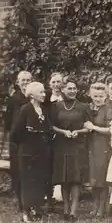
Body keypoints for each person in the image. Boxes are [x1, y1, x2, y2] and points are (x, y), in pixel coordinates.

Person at [11, 82, 52, 223]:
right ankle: (26, 210)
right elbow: (15, 133)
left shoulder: (43, 110)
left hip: (41, 151)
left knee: (39, 179)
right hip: (27, 152)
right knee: (27, 181)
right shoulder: (25, 109)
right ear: (32, 95)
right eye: (41, 92)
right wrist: (27, 141)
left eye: (44, 92)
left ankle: (37, 208)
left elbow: (47, 128)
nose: (44, 94)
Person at [51, 78, 90, 222]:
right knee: (64, 178)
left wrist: (78, 131)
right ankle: (66, 209)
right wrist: (63, 132)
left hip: (77, 145)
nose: (72, 91)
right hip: (62, 144)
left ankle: (73, 211)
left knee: (75, 179)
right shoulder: (57, 106)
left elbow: (88, 127)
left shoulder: (83, 106)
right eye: (69, 88)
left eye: (74, 88)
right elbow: (52, 126)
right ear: (63, 90)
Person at [3, 70, 32, 212]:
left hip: (32, 140)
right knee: (18, 171)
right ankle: (21, 202)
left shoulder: (35, 98)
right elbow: (8, 121)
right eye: (23, 80)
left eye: (28, 80)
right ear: (18, 82)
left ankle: (31, 202)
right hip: (17, 141)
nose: (26, 83)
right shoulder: (13, 99)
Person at [84, 84, 110, 218]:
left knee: (102, 178)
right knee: (93, 178)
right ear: (91, 95)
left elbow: (110, 130)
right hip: (90, 146)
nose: (98, 99)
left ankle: (102, 208)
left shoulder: (108, 110)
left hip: (103, 146)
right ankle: (95, 206)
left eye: (101, 96)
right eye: (95, 96)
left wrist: (93, 127)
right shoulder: (88, 108)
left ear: (105, 96)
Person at [43, 72, 64, 210]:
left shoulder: (66, 97)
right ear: (50, 84)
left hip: (62, 136)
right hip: (47, 137)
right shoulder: (45, 98)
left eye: (59, 82)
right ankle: (48, 199)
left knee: (59, 166)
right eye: (54, 82)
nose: (56, 85)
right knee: (47, 167)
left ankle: (60, 195)